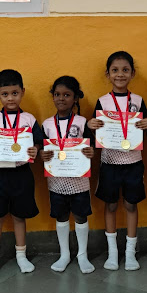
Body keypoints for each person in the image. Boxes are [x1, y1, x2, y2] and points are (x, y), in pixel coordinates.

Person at [87, 51, 147, 271]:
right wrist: (92, 126)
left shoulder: (139, 101)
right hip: (110, 162)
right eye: (115, 70)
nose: (120, 74)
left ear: (132, 73)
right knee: (111, 205)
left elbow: (145, 128)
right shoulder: (103, 102)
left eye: (125, 70)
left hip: (134, 162)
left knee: (131, 205)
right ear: (108, 74)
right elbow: (97, 133)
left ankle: (131, 253)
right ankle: (113, 252)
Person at [0, 69, 43, 279]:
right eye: (5, 94)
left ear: (22, 92)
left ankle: (21, 255)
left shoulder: (29, 119)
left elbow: (38, 144)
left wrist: (35, 149)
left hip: (22, 174)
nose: (10, 98)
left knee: (19, 216)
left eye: (15, 93)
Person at [40, 76, 96, 274]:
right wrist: (42, 154)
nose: (61, 98)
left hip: (79, 180)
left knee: (80, 215)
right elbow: (41, 149)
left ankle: (82, 255)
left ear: (75, 98)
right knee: (61, 215)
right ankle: (64, 254)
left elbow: (91, 148)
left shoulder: (83, 123)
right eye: (57, 94)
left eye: (67, 95)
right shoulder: (46, 124)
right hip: (56, 181)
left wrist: (91, 152)